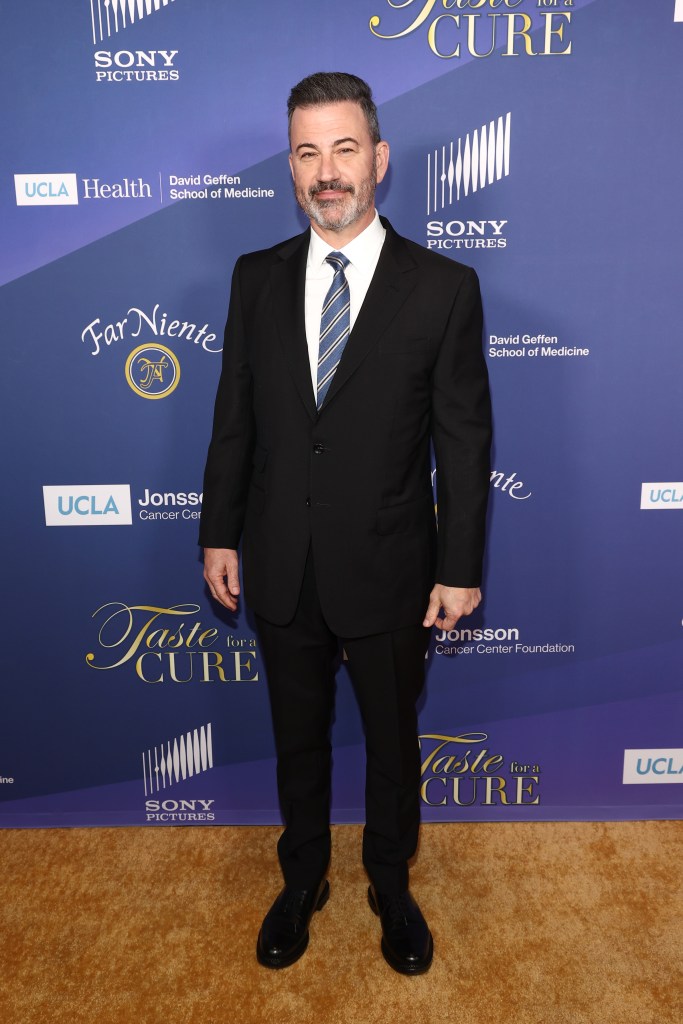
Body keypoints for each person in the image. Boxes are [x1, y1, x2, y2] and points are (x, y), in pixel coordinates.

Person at [199, 71, 492, 975]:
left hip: (393, 566)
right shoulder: (255, 279)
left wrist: (460, 564)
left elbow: (464, 439)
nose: (327, 171)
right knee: (296, 737)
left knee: (393, 742)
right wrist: (217, 532)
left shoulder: (443, 287)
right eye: (307, 151)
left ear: (380, 159)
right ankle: (302, 880)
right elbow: (235, 418)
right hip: (280, 558)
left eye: (344, 148)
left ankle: (389, 884)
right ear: (291, 167)